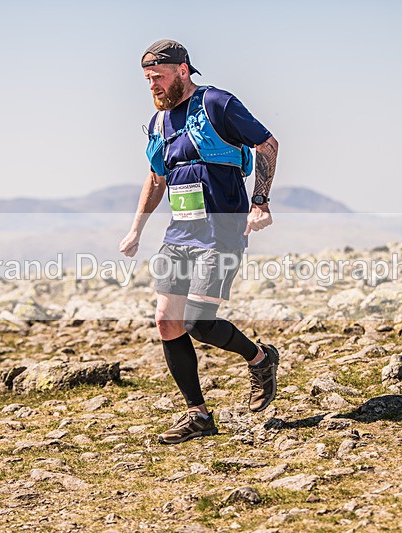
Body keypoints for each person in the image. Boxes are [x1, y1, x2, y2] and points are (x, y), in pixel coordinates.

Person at [119, 39, 280, 445]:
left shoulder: (217, 104)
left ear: (183, 71)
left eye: (158, 77)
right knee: (166, 321)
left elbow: (267, 144)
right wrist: (136, 228)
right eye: (147, 79)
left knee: (198, 323)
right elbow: (156, 177)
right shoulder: (159, 123)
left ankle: (260, 359)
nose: (152, 86)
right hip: (179, 235)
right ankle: (198, 415)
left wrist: (259, 202)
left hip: (220, 232)